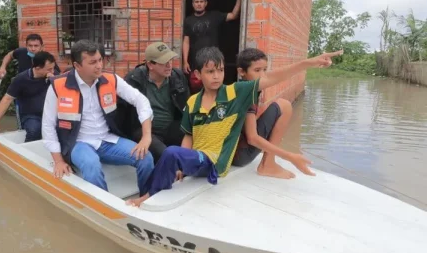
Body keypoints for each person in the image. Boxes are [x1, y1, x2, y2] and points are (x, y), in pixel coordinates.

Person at [127, 46, 342, 207]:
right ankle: (148, 193)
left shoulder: (235, 93)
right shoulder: (193, 102)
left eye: (220, 70)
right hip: (198, 159)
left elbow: (272, 78)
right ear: (198, 75)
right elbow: (188, 136)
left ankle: (147, 196)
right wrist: (184, 164)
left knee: (171, 153)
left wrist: (308, 63)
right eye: (210, 72)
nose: (216, 76)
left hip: (214, 164)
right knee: (174, 153)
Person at [42, 40, 155, 197]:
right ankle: (107, 207)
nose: (99, 65)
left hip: (107, 140)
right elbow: (48, 125)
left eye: (100, 60)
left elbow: (140, 100)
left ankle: (146, 199)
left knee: (145, 157)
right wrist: (59, 161)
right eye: (92, 62)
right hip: (78, 143)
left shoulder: (110, 79)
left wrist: (146, 136)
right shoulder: (58, 86)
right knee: (91, 165)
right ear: (77, 65)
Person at [232, 48, 315, 178]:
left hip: (235, 153)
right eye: (257, 70)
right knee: (284, 106)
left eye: (265, 70)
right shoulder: (247, 93)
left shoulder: (240, 87)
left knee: (279, 106)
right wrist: (290, 156)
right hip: (241, 156)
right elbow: (252, 138)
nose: (263, 75)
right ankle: (268, 164)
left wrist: (308, 63)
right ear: (241, 71)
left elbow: (276, 75)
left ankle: (268, 163)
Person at [117, 42, 190, 163]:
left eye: (170, 60)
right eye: (164, 62)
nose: (169, 65)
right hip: (144, 130)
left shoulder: (177, 77)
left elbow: (187, 107)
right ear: (150, 64)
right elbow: (122, 111)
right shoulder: (134, 79)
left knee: (195, 137)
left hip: (170, 127)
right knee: (164, 153)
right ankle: (173, 169)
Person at [0, 52, 57, 142]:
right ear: (37, 68)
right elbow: (7, 99)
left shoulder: (54, 75)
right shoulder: (21, 79)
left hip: (50, 113)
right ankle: (28, 152)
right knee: (34, 130)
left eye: (53, 68)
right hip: (30, 115)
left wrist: (54, 80)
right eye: (49, 69)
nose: (53, 72)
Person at [182, 0, 243, 91]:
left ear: (206, 3)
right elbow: (186, 41)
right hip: (195, 63)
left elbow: (233, 15)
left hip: (213, 61)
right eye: (196, 2)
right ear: (193, 4)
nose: (199, 4)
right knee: (197, 90)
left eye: (201, 1)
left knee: (214, 89)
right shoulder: (188, 20)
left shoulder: (214, 16)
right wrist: (185, 61)